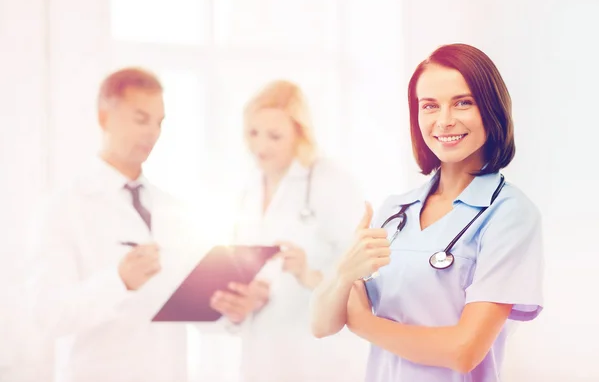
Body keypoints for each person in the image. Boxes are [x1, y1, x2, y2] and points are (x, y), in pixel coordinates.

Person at [309, 44, 544, 382]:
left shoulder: (510, 215)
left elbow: (463, 352)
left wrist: (363, 323)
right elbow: (321, 324)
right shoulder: (394, 211)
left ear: (491, 109)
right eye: (430, 106)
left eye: (463, 102)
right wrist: (345, 273)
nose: (444, 121)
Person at [27, 67, 204, 382]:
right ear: (104, 118)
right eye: (140, 119)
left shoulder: (173, 209)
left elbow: (186, 305)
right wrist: (119, 281)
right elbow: (47, 315)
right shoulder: (65, 208)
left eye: (159, 122)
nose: (152, 132)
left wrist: (229, 307)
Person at [208, 80, 370, 382]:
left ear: (299, 134)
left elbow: (364, 274)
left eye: (274, 136)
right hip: (263, 355)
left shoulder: (329, 181)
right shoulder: (248, 190)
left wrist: (308, 275)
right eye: (253, 133)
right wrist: (242, 300)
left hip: (320, 356)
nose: (260, 146)